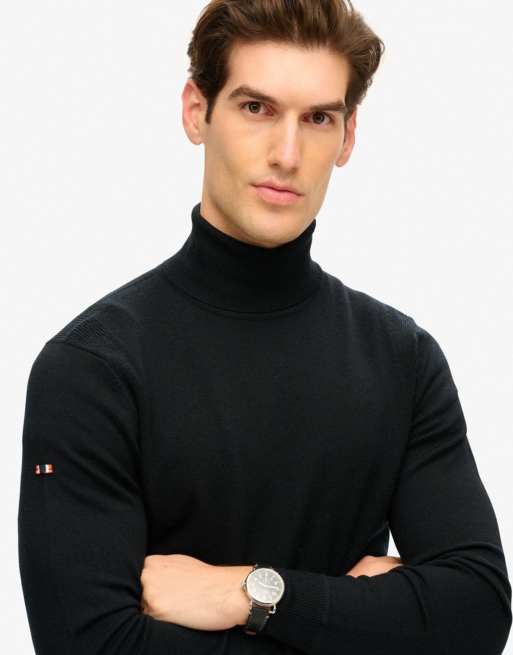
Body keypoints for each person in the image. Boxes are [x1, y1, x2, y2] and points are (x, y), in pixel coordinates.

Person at [18, 1, 511, 654]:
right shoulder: (91, 369)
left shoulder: (402, 359)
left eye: (318, 118)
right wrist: (371, 620)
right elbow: (91, 645)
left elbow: (478, 613)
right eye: (256, 108)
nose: (287, 153)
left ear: (348, 137)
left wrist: (250, 592)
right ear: (196, 111)